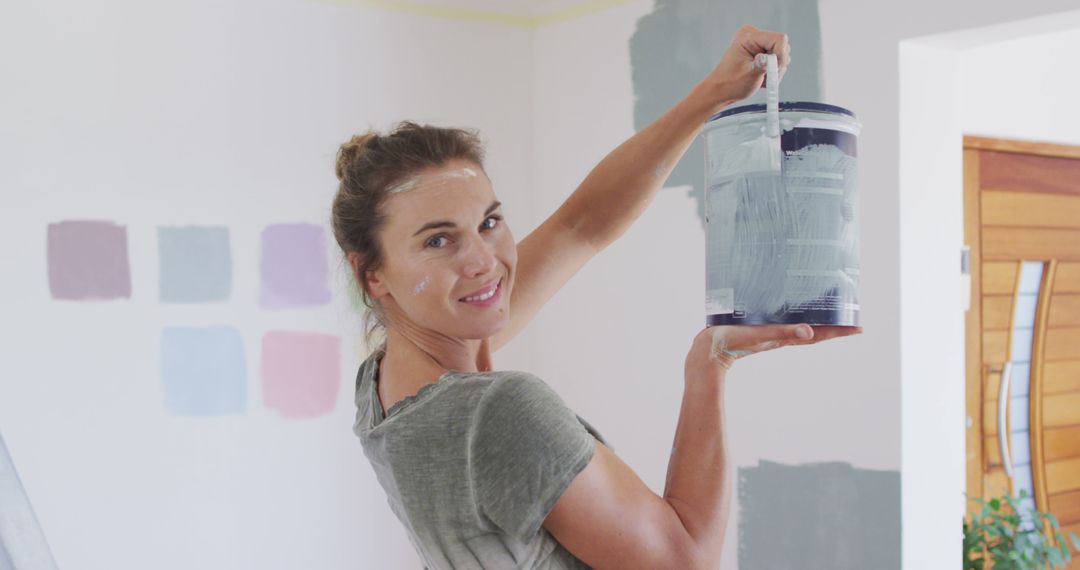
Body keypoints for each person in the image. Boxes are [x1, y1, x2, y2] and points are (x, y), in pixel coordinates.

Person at [331, 24, 861, 569]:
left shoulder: (385, 383)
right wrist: (712, 363)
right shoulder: (500, 413)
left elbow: (578, 226)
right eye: (438, 240)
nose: (482, 261)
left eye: (489, 222)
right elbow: (686, 562)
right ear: (373, 275)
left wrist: (716, 94)